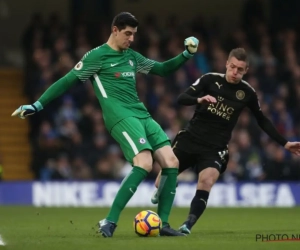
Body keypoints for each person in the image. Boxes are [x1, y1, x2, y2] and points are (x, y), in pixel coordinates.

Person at [11, 12, 199, 237]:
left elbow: (162, 69)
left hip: (141, 114)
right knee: (145, 162)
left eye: (134, 34)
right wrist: (38, 104)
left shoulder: (132, 57)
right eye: (127, 34)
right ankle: (109, 221)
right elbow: (67, 80)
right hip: (120, 117)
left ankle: (165, 224)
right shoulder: (97, 56)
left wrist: (186, 54)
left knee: (171, 162)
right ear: (115, 30)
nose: (131, 39)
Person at [151, 48, 300, 234]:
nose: (235, 72)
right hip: (190, 139)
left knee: (206, 181)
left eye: (240, 69)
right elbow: (182, 98)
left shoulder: (248, 93)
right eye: (233, 67)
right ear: (226, 64)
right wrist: (199, 99)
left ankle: (187, 224)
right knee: (159, 183)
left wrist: (285, 143)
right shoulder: (209, 79)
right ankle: (167, 186)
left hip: (215, 147)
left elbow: (262, 120)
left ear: (246, 71)